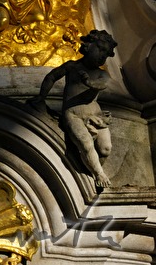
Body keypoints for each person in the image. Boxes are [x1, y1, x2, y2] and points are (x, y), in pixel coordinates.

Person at [29, 30, 118, 188]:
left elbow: (102, 85)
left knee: (105, 149)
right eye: (100, 49)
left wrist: (89, 82)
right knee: (86, 144)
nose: (102, 55)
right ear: (88, 45)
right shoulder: (72, 66)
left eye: (106, 52)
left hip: (96, 115)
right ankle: (99, 174)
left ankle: (90, 168)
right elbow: (51, 76)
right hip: (73, 114)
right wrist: (42, 96)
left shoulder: (101, 74)